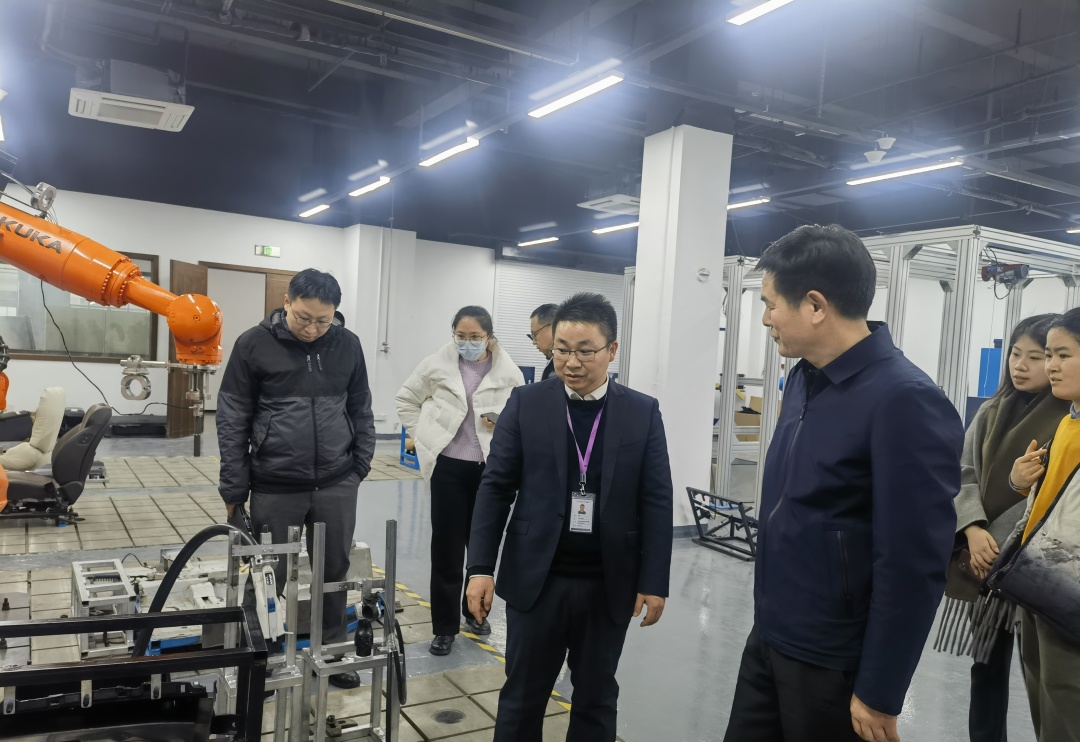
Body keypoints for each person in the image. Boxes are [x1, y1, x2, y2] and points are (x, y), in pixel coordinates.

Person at [722, 225, 963, 742]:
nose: (765, 319)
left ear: (815, 305)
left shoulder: (904, 399)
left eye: (769, 305)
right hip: (772, 631)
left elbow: (913, 562)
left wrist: (880, 688)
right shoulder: (805, 378)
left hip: (833, 659)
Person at [466, 292, 673, 742]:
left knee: (596, 699)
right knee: (523, 696)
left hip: (608, 583)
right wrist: (480, 567)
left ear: (612, 350)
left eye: (585, 351)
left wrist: (654, 580)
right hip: (537, 582)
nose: (571, 362)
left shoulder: (641, 412)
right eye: (561, 350)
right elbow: (496, 487)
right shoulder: (527, 403)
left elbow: (656, 499)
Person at [217, 268, 375, 689]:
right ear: (286, 302)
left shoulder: (347, 344)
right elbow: (232, 418)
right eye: (303, 317)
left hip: (337, 480)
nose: (311, 329)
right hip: (275, 483)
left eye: (323, 320)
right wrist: (234, 488)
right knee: (268, 573)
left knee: (334, 570)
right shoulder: (253, 344)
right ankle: (262, 659)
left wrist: (360, 465)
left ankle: (332, 654)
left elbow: (361, 407)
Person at [939, 314, 1067, 742]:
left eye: (1038, 356)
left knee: (1046, 675)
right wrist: (973, 528)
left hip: (1034, 564)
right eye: (1016, 354)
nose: (1021, 366)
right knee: (986, 669)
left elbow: (1054, 500)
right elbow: (963, 473)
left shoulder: (1068, 418)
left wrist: (997, 539)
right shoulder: (990, 411)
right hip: (982, 560)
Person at [395, 306, 524, 656]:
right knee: (447, 550)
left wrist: (503, 424)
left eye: (475, 337)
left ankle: (475, 613)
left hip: (489, 471)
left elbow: (520, 418)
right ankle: (444, 627)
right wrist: (425, 435)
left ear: (489, 337)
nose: (467, 342)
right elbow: (406, 400)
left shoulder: (509, 373)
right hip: (448, 468)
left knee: (481, 548)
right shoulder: (435, 365)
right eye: (461, 336)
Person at [998, 309, 1080, 742]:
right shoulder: (1067, 424)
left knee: (1067, 697)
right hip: (1037, 581)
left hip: (1071, 589)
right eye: (1049, 354)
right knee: (1042, 689)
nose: (1051, 366)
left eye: (1063, 355)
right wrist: (1020, 481)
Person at [529, 303, 558, 381]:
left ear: (553, 327)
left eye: (535, 334)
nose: (534, 342)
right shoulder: (553, 363)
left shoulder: (562, 370)